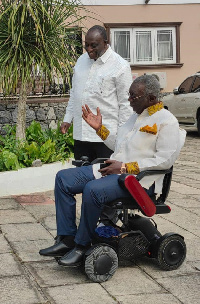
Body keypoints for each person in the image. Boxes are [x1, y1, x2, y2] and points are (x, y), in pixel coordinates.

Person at [39, 75, 186, 268]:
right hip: (115, 171)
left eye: (134, 97)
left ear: (151, 98)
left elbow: (165, 160)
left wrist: (125, 167)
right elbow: (118, 144)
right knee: (63, 179)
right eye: (129, 95)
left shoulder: (167, 121)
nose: (129, 100)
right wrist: (100, 129)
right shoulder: (135, 116)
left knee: (93, 189)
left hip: (138, 182)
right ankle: (66, 239)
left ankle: (81, 246)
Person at [60, 25, 133, 162]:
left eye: (93, 45)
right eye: (86, 45)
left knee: (103, 180)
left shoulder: (120, 66)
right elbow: (75, 93)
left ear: (105, 43)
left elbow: (126, 104)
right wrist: (67, 118)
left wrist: (122, 137)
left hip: (106, 138)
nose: (89, 49)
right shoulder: (81, 61)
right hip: (81, 135)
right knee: (80, 178)